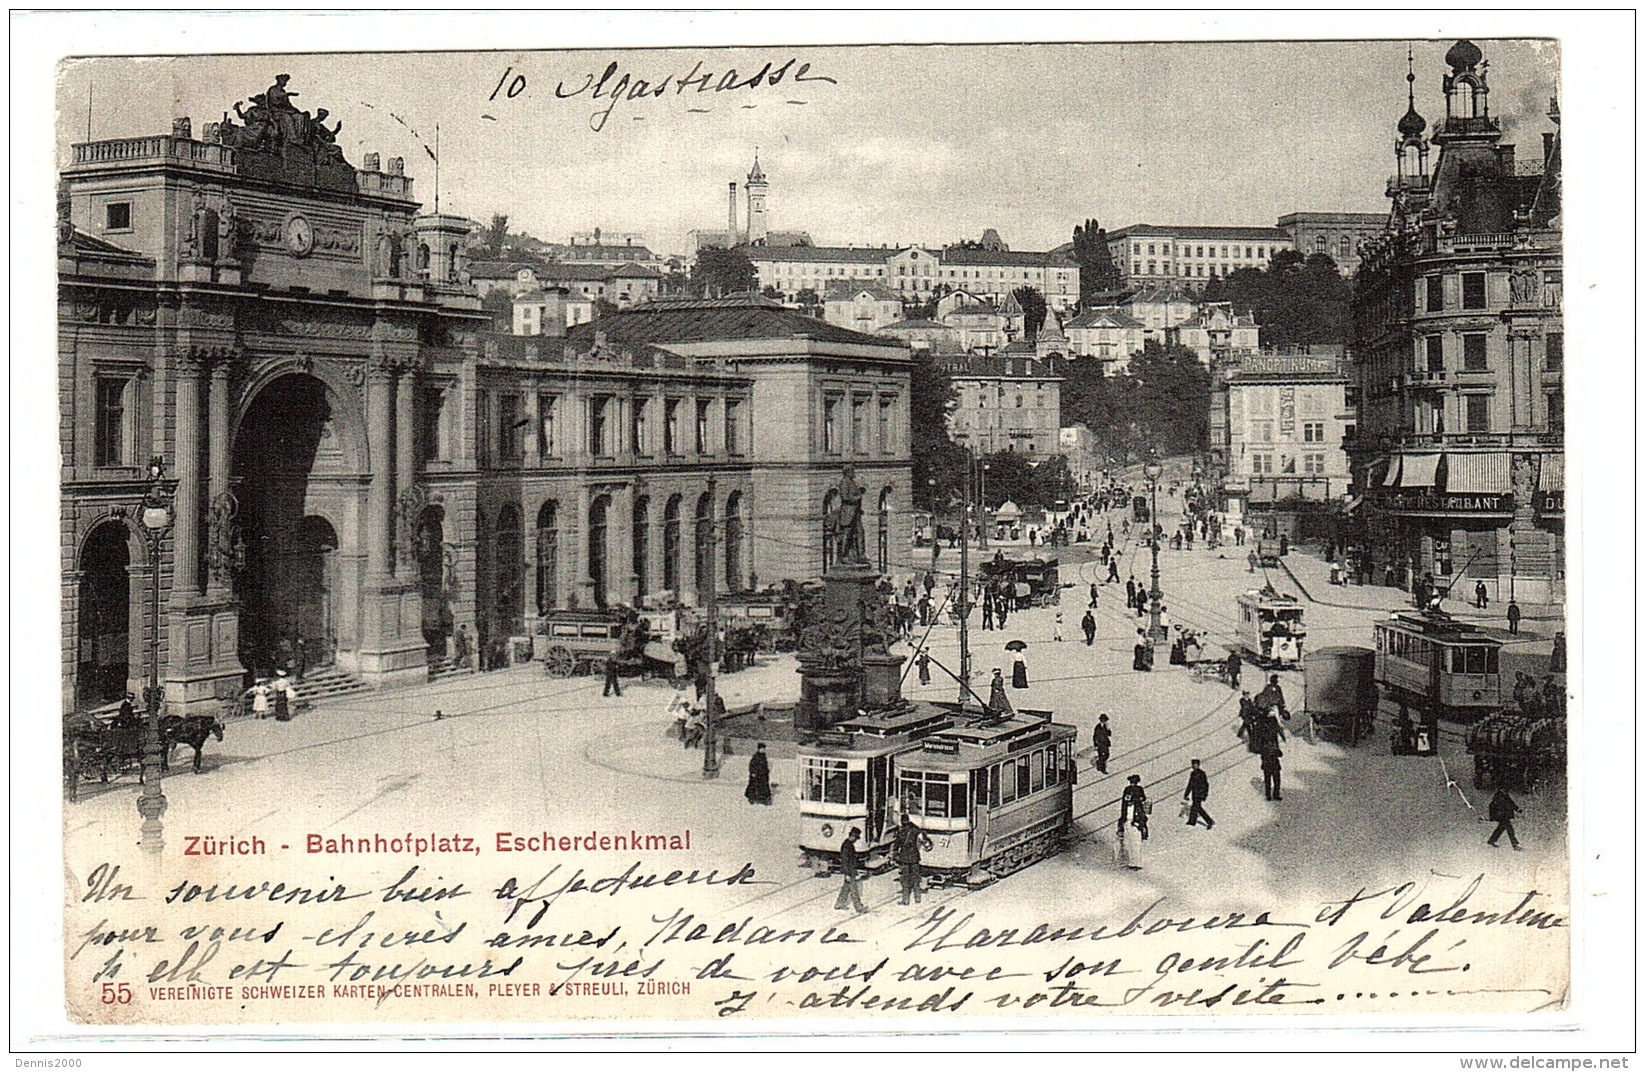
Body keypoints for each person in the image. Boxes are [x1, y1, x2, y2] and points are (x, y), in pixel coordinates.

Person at [893, 815, 933, 905]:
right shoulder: (915, 829)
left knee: (905, 880)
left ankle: (905, 900)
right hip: (915, 857)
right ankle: (917, 898)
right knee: (916, 878)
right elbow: (923, 836)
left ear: (902, 821)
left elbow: (896, 844)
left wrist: (894, 855)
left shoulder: (901, 832)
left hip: (905, 858)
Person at [1118, 775, 1149, 869]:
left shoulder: (1129, 792)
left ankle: (1136, 862)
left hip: (1134, 824)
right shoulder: (1137, 792)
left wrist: (1139, 824)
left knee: (1135, 843)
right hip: (1129, 822)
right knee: (1131, 843)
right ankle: (1133, 862)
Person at [834, 828, 868, 913]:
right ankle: (859, 907)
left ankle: (839, 903)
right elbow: (845, 860)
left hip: (850, 870)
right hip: (849, 871)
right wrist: (847, 874)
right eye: (856, 838)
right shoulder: (847, 845)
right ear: (852, 836)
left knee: (846, 888)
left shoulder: (848, 844)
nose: (856, 840)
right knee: (854, 890)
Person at [1184, 759, 1214, 828]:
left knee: (1195, 807)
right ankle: (1208, 821)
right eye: (1193, 764)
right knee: (1198, 808)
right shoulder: (1192, 774)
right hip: (1194, 794)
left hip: (1200, 794)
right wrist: (1186, 794)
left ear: (1198, 765)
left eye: (1195, 764)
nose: (1194, 766)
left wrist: (1205, 795)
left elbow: (1206, 785)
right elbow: (1190, 785)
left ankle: (1193, 822)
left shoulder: (1202, 773)